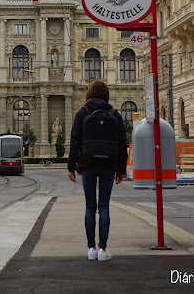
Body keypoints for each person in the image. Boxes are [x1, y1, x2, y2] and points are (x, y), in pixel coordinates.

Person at [68, 80, 127, 262]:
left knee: (89, 206)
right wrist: (121, 170)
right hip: (109, 165)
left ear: (89, 94)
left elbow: (74, 142)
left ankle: (91, 248)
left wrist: (71, 166)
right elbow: (122, 143)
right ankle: (103, 249)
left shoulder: (82, 113)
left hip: (88, 165)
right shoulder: (114, 114)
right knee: (104, 207)